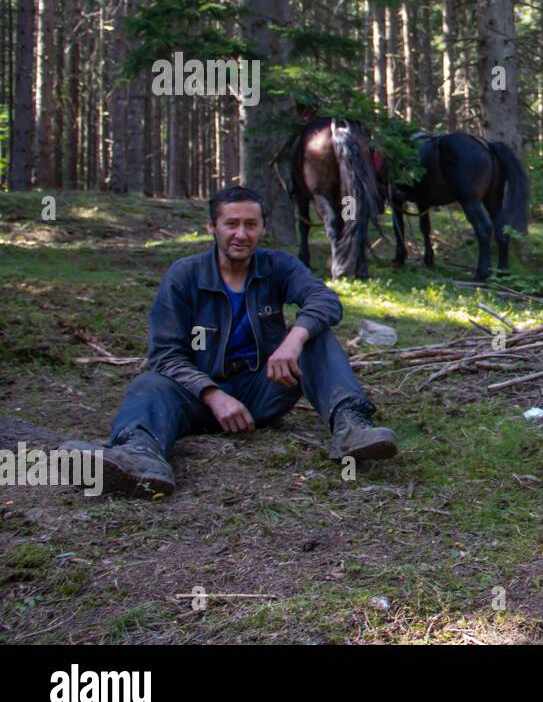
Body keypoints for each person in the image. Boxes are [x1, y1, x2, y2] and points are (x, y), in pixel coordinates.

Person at [66, 186, 396, 497]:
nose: (241, 234)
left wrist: (294, 338)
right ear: (212, 226)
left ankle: (350, 425)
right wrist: (213, 395)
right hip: (198, 399)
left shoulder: (277, 266)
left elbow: (325, 301)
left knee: (316, 336)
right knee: (150, 383)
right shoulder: (185, 276)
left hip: (263, 388)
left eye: (251, 224)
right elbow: (166, 354)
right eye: (231, 224)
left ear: (262, 228)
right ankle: (138, 455)